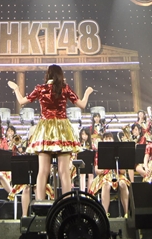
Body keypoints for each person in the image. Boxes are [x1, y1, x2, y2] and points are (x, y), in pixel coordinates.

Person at [8, 64, 94, 200]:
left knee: (43, 171)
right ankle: (66, 203)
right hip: (62, 130)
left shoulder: (40, 88)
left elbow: (21, 101)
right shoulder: (64, 88)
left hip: (45, 130)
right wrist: (87, 92)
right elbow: (82, 105)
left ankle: (40, 204)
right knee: (64, 172)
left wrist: (17, 89)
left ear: (48, 74)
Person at [90, 132, 131, 218]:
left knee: (123, 184)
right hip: (104, 176)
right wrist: (102, 170)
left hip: (117, 175)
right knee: (106, 185)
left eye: (110, 138)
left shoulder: (118, 152)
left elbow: (123, 171)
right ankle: (105, 214)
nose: (108, 140)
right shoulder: (98, 152)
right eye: (106, 138)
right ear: (103, 140)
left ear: (113, 140)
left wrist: (119, 167)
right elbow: (97, 170)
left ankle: (126, 213)